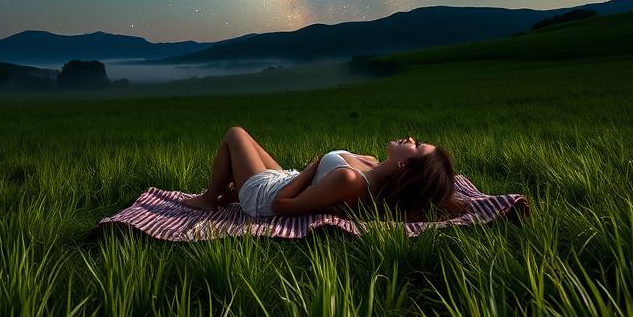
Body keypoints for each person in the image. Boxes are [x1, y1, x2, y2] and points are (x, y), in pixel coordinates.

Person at [180, 126, 466, 220]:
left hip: (268, 197)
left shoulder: (351, 180)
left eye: (417, 147)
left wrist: (312, 169)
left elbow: (282, 206)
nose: (410, 138)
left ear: (405, 166)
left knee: (236, 134)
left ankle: (208, 198)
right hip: (287, 179)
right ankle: (229, 191)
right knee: (248, 143)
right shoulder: (374, 165)